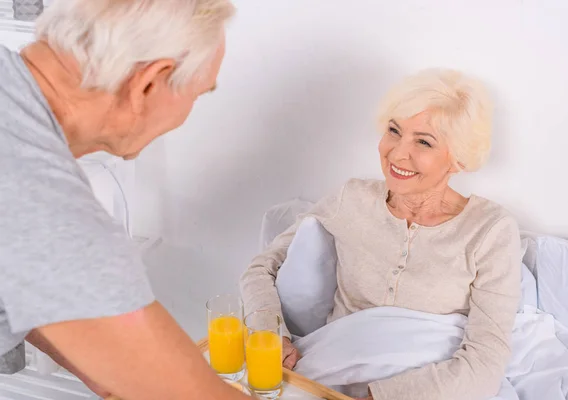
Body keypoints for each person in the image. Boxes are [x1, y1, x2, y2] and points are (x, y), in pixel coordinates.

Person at [0, 1, 253, 399]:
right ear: (148, 84)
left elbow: (21, 273)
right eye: (199, 94)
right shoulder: (46, 201)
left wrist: (115, 373)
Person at [240, 69, 522, 400]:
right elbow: (261, 268)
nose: (397, 153)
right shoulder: (351, 199)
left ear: (458, 160)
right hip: (327, 373)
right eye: (394, 131)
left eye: (423, 141)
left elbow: (484, 364)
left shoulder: (490, 230)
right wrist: (271, 335)